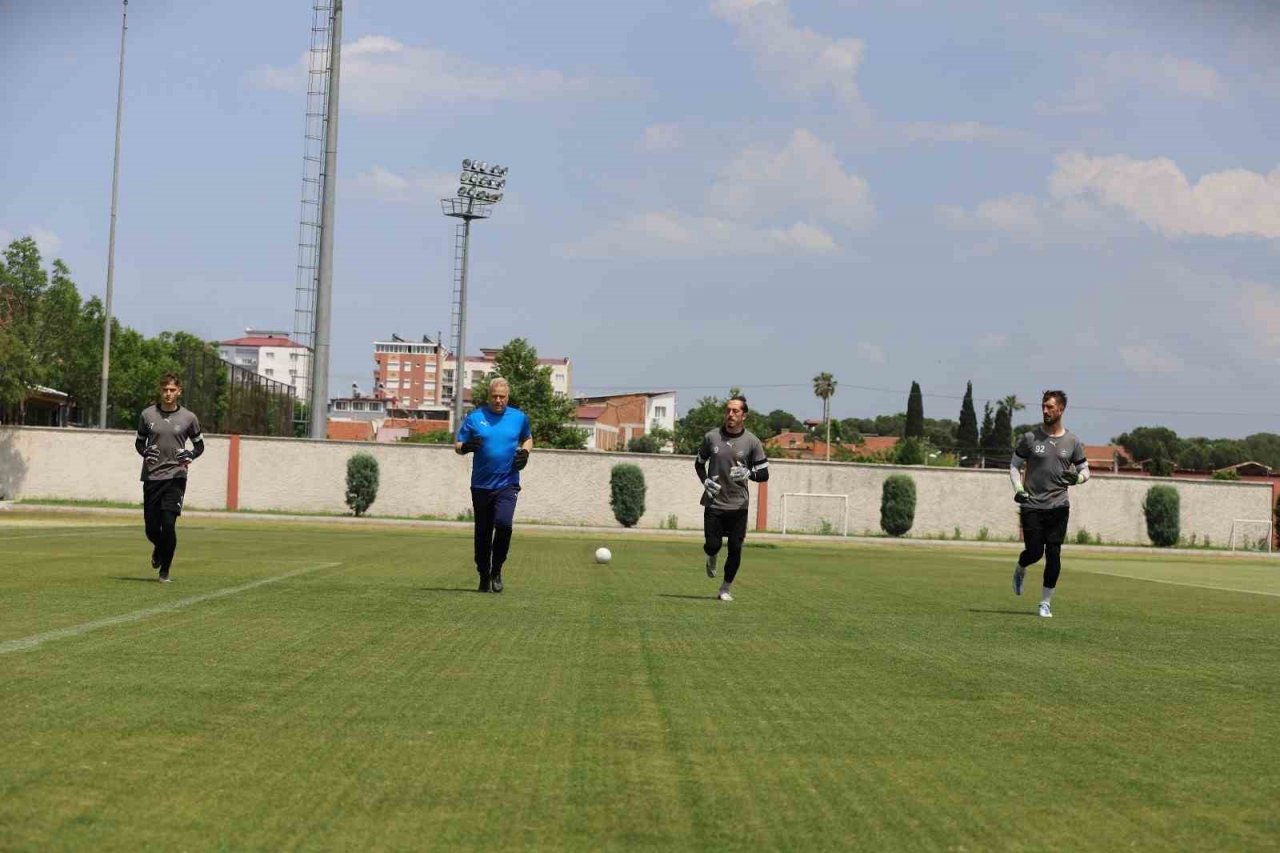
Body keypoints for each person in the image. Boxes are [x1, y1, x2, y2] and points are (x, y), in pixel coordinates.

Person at [1010, 389, 1089, 617]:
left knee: (1053, 553)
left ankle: (1045, 603)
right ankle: (1020, 568)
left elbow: (1085, 469)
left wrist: (1079, 478)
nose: (1045, 410)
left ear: (1061, 409)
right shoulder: (1029, 438)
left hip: (1059, 506)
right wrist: (1018, 489)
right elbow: (1014, 465)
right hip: (1032, 504)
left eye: (1050, 407)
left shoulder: (1072, 441)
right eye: (1043, 406)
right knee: (1034, 552)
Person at [455, 378, 532, 593]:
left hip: (508, 482)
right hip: (480, 485)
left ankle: (497, 569)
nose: (498, 400)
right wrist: (467, 446)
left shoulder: (519, 418)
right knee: (483, 532)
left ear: (508, 396)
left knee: (504, 525)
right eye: (494, 396)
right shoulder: (475, 417)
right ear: (489, 396)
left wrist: (525, 452)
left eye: (502, 396)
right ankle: (483, 573)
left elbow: (528, 438)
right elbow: (457, 445)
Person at [694, 395, 769, 601]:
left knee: (735, 549)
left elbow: (764, 474)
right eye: (728, 410)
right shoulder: (711, 438)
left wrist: (748, 474)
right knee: (712, 545)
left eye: (736, 411)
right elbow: (699, 464)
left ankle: (725, 589)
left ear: (744, 416)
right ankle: (712, 556)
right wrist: (705, 481)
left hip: (739, 505)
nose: (730, 414)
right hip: (714, 502)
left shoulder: (752, 442)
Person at [134, 373, 204, 582]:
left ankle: (165, 571)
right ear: (160, 390)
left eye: (172, 390)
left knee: (169, 523)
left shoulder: (189, 418)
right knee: (152, 528)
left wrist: (190, 454)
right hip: (152, 477)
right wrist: (144, 452)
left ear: (179, 391)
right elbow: (139, 442)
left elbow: (199, 445)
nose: (168, 393)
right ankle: (158, 547)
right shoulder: (147, 415)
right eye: (165, 390)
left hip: (176, 476)